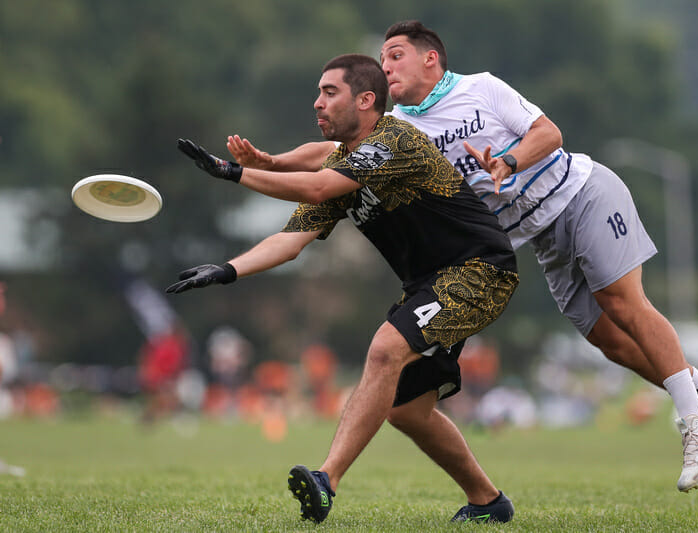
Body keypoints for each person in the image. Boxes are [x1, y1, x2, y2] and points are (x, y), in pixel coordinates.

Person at [226, 21, 698, 493]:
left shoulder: (480, 88)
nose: (385, 67)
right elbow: (326, 154)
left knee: (622, 303)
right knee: (608, 341)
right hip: (538, 237)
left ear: (430, 58)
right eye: (382, 59)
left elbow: (548, 133)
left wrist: (507, 160)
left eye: (396, 55)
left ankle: (695, 423)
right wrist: (271, 159)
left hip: (579, 192)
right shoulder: (402, 131)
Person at [167, 54, 520, 524]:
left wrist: (232, 172)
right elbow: (290, 241)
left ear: (367, 99)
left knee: (385, 349)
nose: (318, 103)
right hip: (431, 285)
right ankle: (488, 502)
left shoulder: (393, 139)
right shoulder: (344, 168)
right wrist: (227, 269)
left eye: (329, 92)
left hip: (480, 270)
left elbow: (314, 187)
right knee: (407, 411)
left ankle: (326, 480)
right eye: (318, 93)